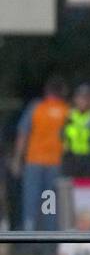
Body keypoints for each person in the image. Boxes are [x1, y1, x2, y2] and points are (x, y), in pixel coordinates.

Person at [11, 75, 69, 233]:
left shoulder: (36, 108)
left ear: (47, 91)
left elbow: (23, 133)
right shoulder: (66, 111)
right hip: (54, 163)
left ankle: (29, 234)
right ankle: (48, 235)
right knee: (49, 199)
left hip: (34, 161)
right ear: (62, 91)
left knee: (31, 199)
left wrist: (17, 159)